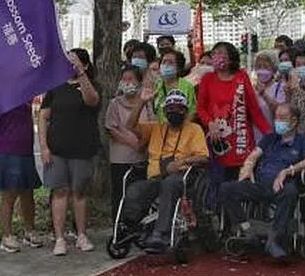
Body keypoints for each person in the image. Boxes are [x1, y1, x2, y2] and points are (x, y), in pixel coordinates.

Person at [220, 104, 305, 259]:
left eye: (282, 118)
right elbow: (254, 155)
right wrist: (248, 167)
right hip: (260, 184)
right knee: (226, 188)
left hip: (282, 186)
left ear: (294, 121)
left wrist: (287, 171)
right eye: (276, 117)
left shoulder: (302, 141)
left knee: (290, 192)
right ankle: (247, 230)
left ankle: (275, 240)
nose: (277, 121)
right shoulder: (270, 138)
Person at [119, 88, 209, 252]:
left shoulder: (194, 129)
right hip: (157, 176)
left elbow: (203, 158)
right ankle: (131, 227)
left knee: (169, 185)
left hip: (182, 177)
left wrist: (182, 161)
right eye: (170, 108)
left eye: (179, 108)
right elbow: (129, 125)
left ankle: (161, 233)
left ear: (185, 111)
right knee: (136, 189)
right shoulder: (156, 128)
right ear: (165, 111)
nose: (174, 112)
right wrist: (142, 101)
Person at [39, 48, 101, 256]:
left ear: (85, 64)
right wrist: (44, 147)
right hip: (57, 149)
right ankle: (59, 238)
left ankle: (81, 234)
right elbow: (43, 117)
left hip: (83, 148)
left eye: (74, 62)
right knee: (59, 191)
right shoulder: (55, 87)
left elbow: (92, 101)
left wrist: (81, 74)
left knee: (79, 192)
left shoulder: (92, 84)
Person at [196, 41, 271, 186]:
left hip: (241, 142)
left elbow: (254, 109)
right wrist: (210, 123)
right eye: (214, 53)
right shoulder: (207, 79)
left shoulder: (241, 77)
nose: (216, 56)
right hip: (218, 141)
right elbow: (201, 108)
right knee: (220, 184)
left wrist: (269, 134)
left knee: (241, 185)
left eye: (220, 53)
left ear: (230, 58)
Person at [0, 102, 44, 253]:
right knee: (9, 192)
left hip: (25, 148)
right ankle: (7, 235)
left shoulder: (25, 95)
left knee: (28, 191)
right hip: (6, 147)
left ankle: (29, 230)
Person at [105, 65, 149, 210]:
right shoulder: (115, 103)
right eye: (124, 79)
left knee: (140, 195)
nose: (127, 82)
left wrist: (142, 143)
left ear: (139, 82)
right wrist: (133, 143)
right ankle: (119, 222)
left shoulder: (146, 103)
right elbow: (111, 129)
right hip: (120, 159)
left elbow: (151, 126)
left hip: (142, 158)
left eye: (131, 79)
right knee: (120, 194)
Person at [153, 48, 197, 117]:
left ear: (178, 67)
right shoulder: (156, 85)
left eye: (171, 62)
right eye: (164, 62)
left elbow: (192, 111)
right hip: (159, 123)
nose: (166, 65)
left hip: (182, 123)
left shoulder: (187, 86)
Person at [252, 51, 286, 128]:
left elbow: (280, 111)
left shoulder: (281, 88)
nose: (262, 70)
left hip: (272, 132)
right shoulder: (252, 89)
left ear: (274, 69)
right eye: (259, 66)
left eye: (266, 67)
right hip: (255, 133)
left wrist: (264, 94)